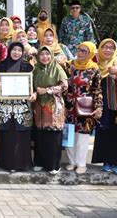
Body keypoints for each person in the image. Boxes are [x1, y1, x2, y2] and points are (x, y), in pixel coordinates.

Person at [0, 42, 33, 172]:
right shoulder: (1, 66)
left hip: (21, 108)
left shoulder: (27, 67)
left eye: (19, 50)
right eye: (14, 50)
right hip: (5, 107)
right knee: (6, 135)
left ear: (22, 53)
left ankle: (21, 164)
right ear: (9, 50)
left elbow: (32, 84)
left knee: (20, 135)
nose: (16, 52)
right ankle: (6, 163)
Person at [65, 41, 102, 174]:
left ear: (90, 53)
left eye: (84, 51)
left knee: (83, 136)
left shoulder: (94, 69)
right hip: (69, 106)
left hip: (85, 107)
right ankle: (72, 162)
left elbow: (97, 90)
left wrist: (98, 107)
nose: (80, 53)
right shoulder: (69, 65)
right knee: (70, 134)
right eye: (79, 49)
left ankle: (81, 163)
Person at [91, 39, 117, 175]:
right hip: (102, 107)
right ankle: (106, 161)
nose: (108, 50)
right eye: (105, 47)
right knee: (104, 134)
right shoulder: (95, 65)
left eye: (111, 48)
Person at [31, 46, 68, 174]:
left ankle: (53, 165)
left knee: (53, 136)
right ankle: (39, 162)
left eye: (47, 54)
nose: (45, 57)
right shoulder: (36, 69)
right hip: (39, 106)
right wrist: (35, 92)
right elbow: (32, 85)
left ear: (51, 55)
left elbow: (64, 86)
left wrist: (47, 90)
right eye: (42, 54)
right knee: (40, 135)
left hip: (53, 106)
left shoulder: (57, 68)